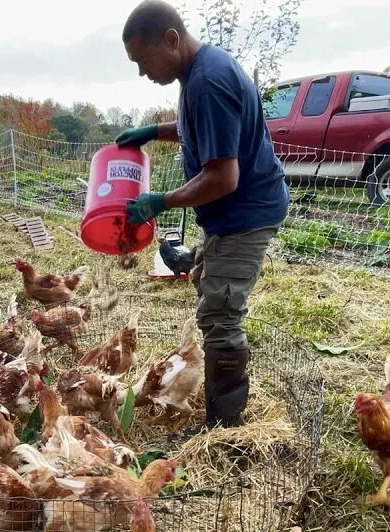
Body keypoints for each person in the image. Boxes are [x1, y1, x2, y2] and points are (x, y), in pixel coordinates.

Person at [118, 0, 290, 432]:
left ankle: (224, 426)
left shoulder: (208, 81)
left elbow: (223, 177)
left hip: (244, 212)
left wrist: (161, 201)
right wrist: (155, 132)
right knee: (209, 287)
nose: (142, 72)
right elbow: (200, 125)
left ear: (171, 40)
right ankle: (222, 408)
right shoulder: (198, 72)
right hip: (234, 213)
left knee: (221, 311)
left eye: (143, 60)